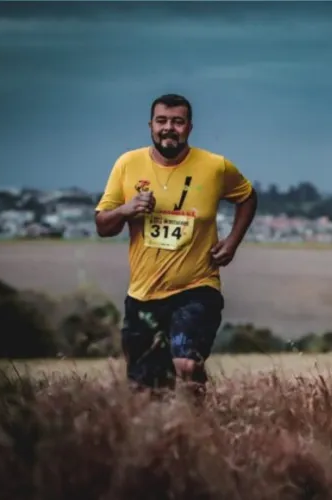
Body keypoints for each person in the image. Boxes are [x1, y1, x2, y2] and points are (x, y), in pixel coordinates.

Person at [94, 93, 259, 395]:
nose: (169, 128)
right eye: (162, 121)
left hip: (196, 287)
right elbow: (103, 226)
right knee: (145, 390)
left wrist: (233, 242)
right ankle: (174, 436)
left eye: (177, 122)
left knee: (186, 364)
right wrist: (125, 210)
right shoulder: (127, 164)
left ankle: (198, 431)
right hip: (143, 295)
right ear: (150, 126)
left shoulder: (216, 167)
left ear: (189, 128)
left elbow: (247, 197)